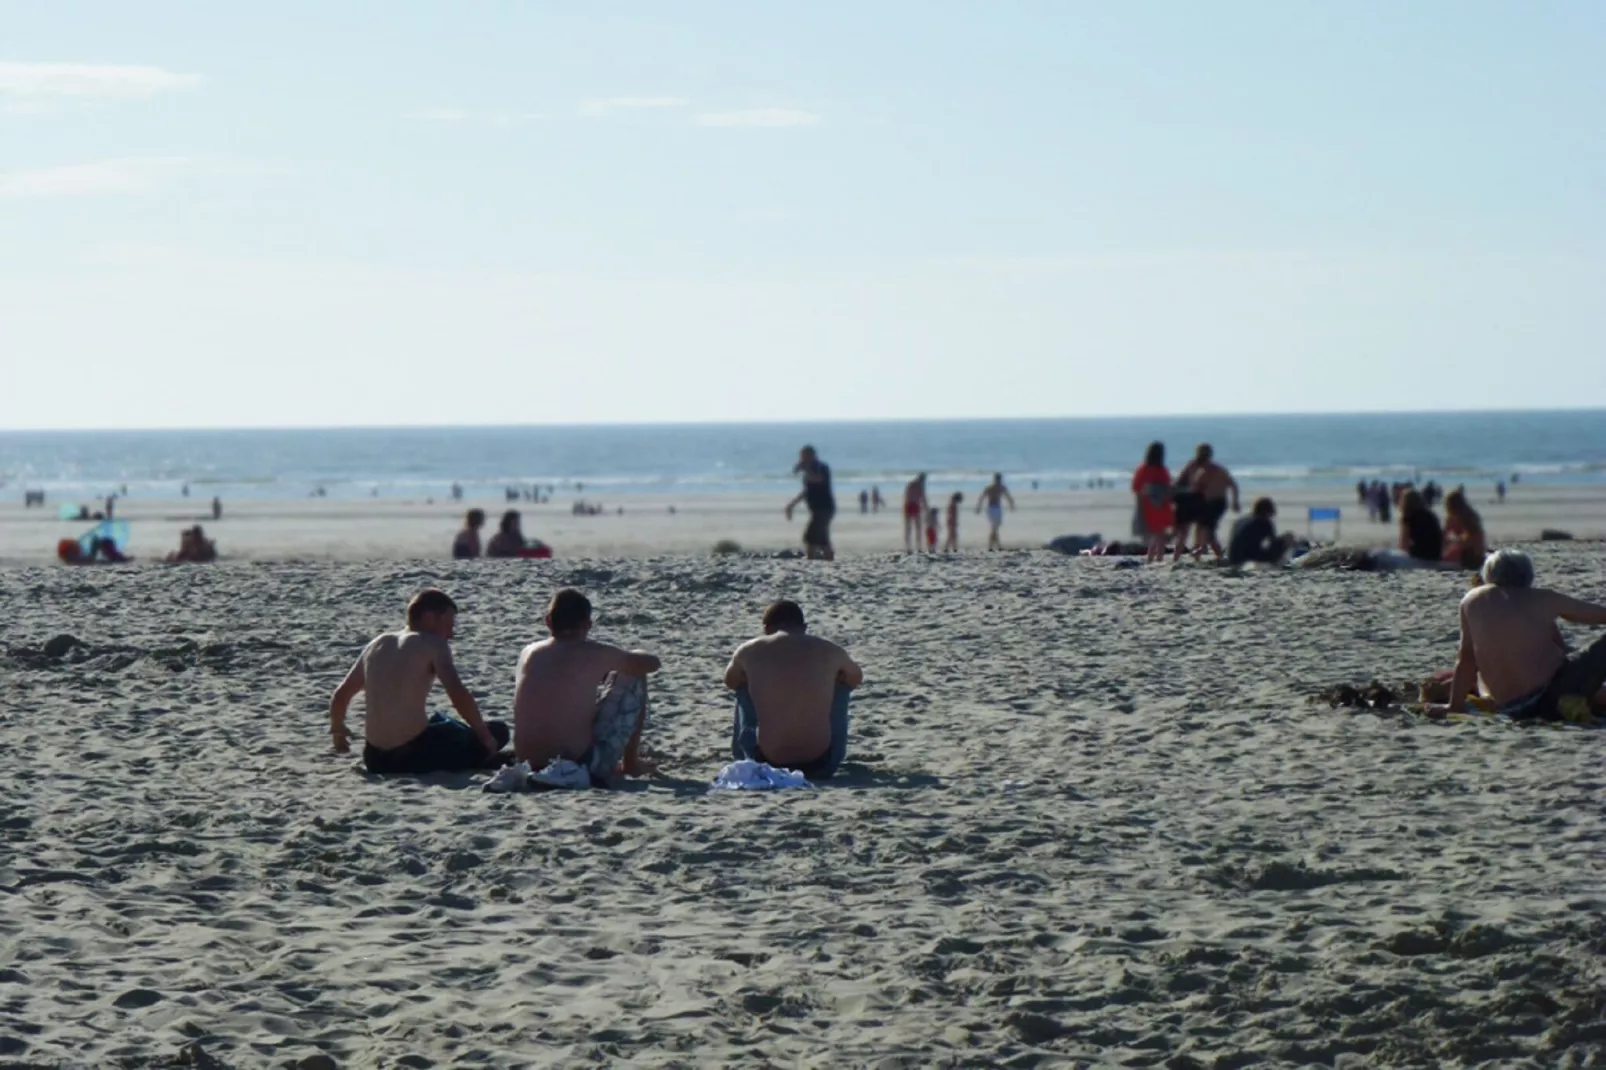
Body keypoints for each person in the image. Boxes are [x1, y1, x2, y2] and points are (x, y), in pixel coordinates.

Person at [329, 589, 509, 774]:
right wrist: (485, 736)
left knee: (439, 722)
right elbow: (458, 694)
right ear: (429, 618)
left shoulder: (377, 643)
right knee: (499, 731)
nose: (451, 634)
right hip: (412, 753)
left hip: (374, 759)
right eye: (449, 624)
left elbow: (341, 695)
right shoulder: (433, 643)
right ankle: (483, 759)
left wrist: (338, 731)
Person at [512, 588, 660, 783]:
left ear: (548, 621)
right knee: (635, 671)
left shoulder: (528, 652)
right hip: (578, 762)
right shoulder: (594, 652)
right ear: (587, 625)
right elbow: (652, 663)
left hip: (526, 761)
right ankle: (631, 763)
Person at [1440, 550, 1606, 722]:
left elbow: (1466, 661)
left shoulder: (1470, 601)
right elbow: (1598, 615)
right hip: (1551, 694)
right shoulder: (1543, 599)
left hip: (1511, 708)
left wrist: (1454, 706)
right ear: (1527, 575)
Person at [724, 600, 863, 780]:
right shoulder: (831, 650)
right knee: (841, 683)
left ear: (766, 628)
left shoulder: (749, 650)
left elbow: (730, 681)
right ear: (804, 627)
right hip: (822, 763)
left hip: (765, 762)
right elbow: (856, 678)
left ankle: (744, 753)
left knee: (742, 685)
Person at [1172, 445, 1240, 561]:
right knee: (1190, 530)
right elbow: (1181, 483)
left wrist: (1235, 501)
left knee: (1205, 531)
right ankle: (1183, 557)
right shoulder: (1193, 466)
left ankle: (1214, 556)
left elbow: (1232, 485)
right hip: (1197, 501)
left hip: (1212, 503)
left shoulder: (1215, 469)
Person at [785, 445, 836, 561]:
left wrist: (806, 468)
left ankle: (810, 561)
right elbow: (806, 491)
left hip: (824, 508)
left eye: (804, 456)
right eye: (801, 456)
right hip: (816, 509)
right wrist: (792, 505)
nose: (802, 459)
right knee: (823, 540)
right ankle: (829, 561)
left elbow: (818, 479)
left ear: (812, 456)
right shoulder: (808, 471)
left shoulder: (821, 467)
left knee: (810, 537)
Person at [1131, 442, 1173, 564]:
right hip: (1161, 505)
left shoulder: (1142, 469)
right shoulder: (1161, 470)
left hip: (1147, 504)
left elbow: (1136, 487)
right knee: (1159, 534)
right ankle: (1158, 558)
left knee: (1154, 534)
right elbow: (1167, 487)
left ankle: (1151, 558)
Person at [1227, 497, 1294, 566]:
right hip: (1247, 558)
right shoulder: (1265, 523)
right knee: (1288, 536)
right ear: (1268, 511)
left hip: (1232, 558)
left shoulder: (1242, 519)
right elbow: (1273, 542)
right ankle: (1279, 564)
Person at [1442, 489, 1488, 570]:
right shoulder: (1451, 518)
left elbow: (1473, 538)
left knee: (1448, 557)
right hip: (1466, 546)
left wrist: (1455, 542)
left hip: (1472, 550)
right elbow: (1444, 535)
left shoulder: (1468, 517)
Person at [1398, 489, 1443, 563]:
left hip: (1422, 555)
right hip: (1436, 553)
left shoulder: (1408, 517)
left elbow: (1403, 544)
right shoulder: (1430, 515)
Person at [975, 473, 1016, 551]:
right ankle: (995, 546)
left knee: (995, 528)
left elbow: (1008, 497)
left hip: (998, 508)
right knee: (994, 527)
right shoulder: (989, 488)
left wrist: (1012, 505)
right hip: (991, 508)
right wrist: (978, 507)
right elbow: (982, 497)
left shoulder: (1002, 488)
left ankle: (993, 546)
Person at [902, 474, 930, 553]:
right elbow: (923, 498)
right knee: (918, 528)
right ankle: (919, 547)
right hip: (914, 505)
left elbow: (906, 496)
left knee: (908, 528)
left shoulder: (910, 484)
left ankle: (908, 547)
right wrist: (926, 509)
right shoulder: (920, 486)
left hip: (908, 505)